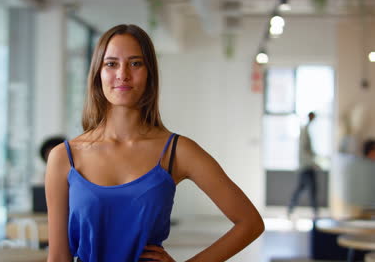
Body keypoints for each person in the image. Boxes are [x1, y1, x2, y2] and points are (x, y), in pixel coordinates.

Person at [45, 24, 264, 262]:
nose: (123, 74)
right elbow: (58, 256)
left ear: (150, 73)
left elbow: (250, 223)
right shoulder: (64, 157)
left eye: (135, 63)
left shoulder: (177, 151)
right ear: (98, 72)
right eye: (111, 64)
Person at [288, 112, 319, 219]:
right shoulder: (304, 130)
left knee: (301, 189)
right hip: (306, 167)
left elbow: (308, 150)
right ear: (310, 117)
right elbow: (304, 150)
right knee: (311, 190)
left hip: (305, 166)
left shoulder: (306, 129)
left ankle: (291, 210)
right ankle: (315, 213)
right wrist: (312, 163)